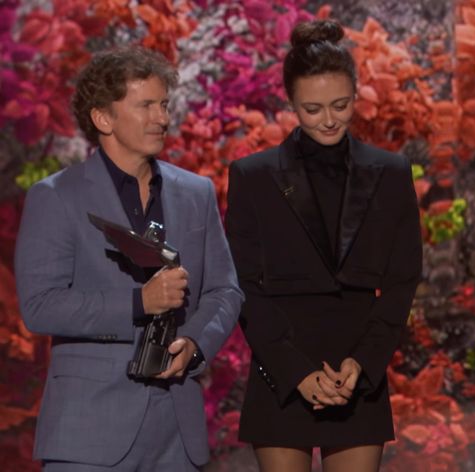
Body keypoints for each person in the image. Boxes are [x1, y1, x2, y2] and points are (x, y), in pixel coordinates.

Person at [15, 46, 243, 471]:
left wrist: (194, 345)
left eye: (164, 104)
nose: (162, 118)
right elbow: (40, 306)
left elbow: (224, 290)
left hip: (177, 434)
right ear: (103, 118)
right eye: (145, 106)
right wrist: (139, 302)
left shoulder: (196, 192)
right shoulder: (55, 197)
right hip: (87, 434)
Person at [225, 19, 423, 472]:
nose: (329, 119)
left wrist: (364, 363)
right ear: (291, 103)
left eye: (340, 104)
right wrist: (295, 371)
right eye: (312, 109)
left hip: (357, 369)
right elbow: (244, 284)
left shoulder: (390, 173)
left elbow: (402, 280)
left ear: (356, 94)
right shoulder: (253, 177)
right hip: (281, 366)